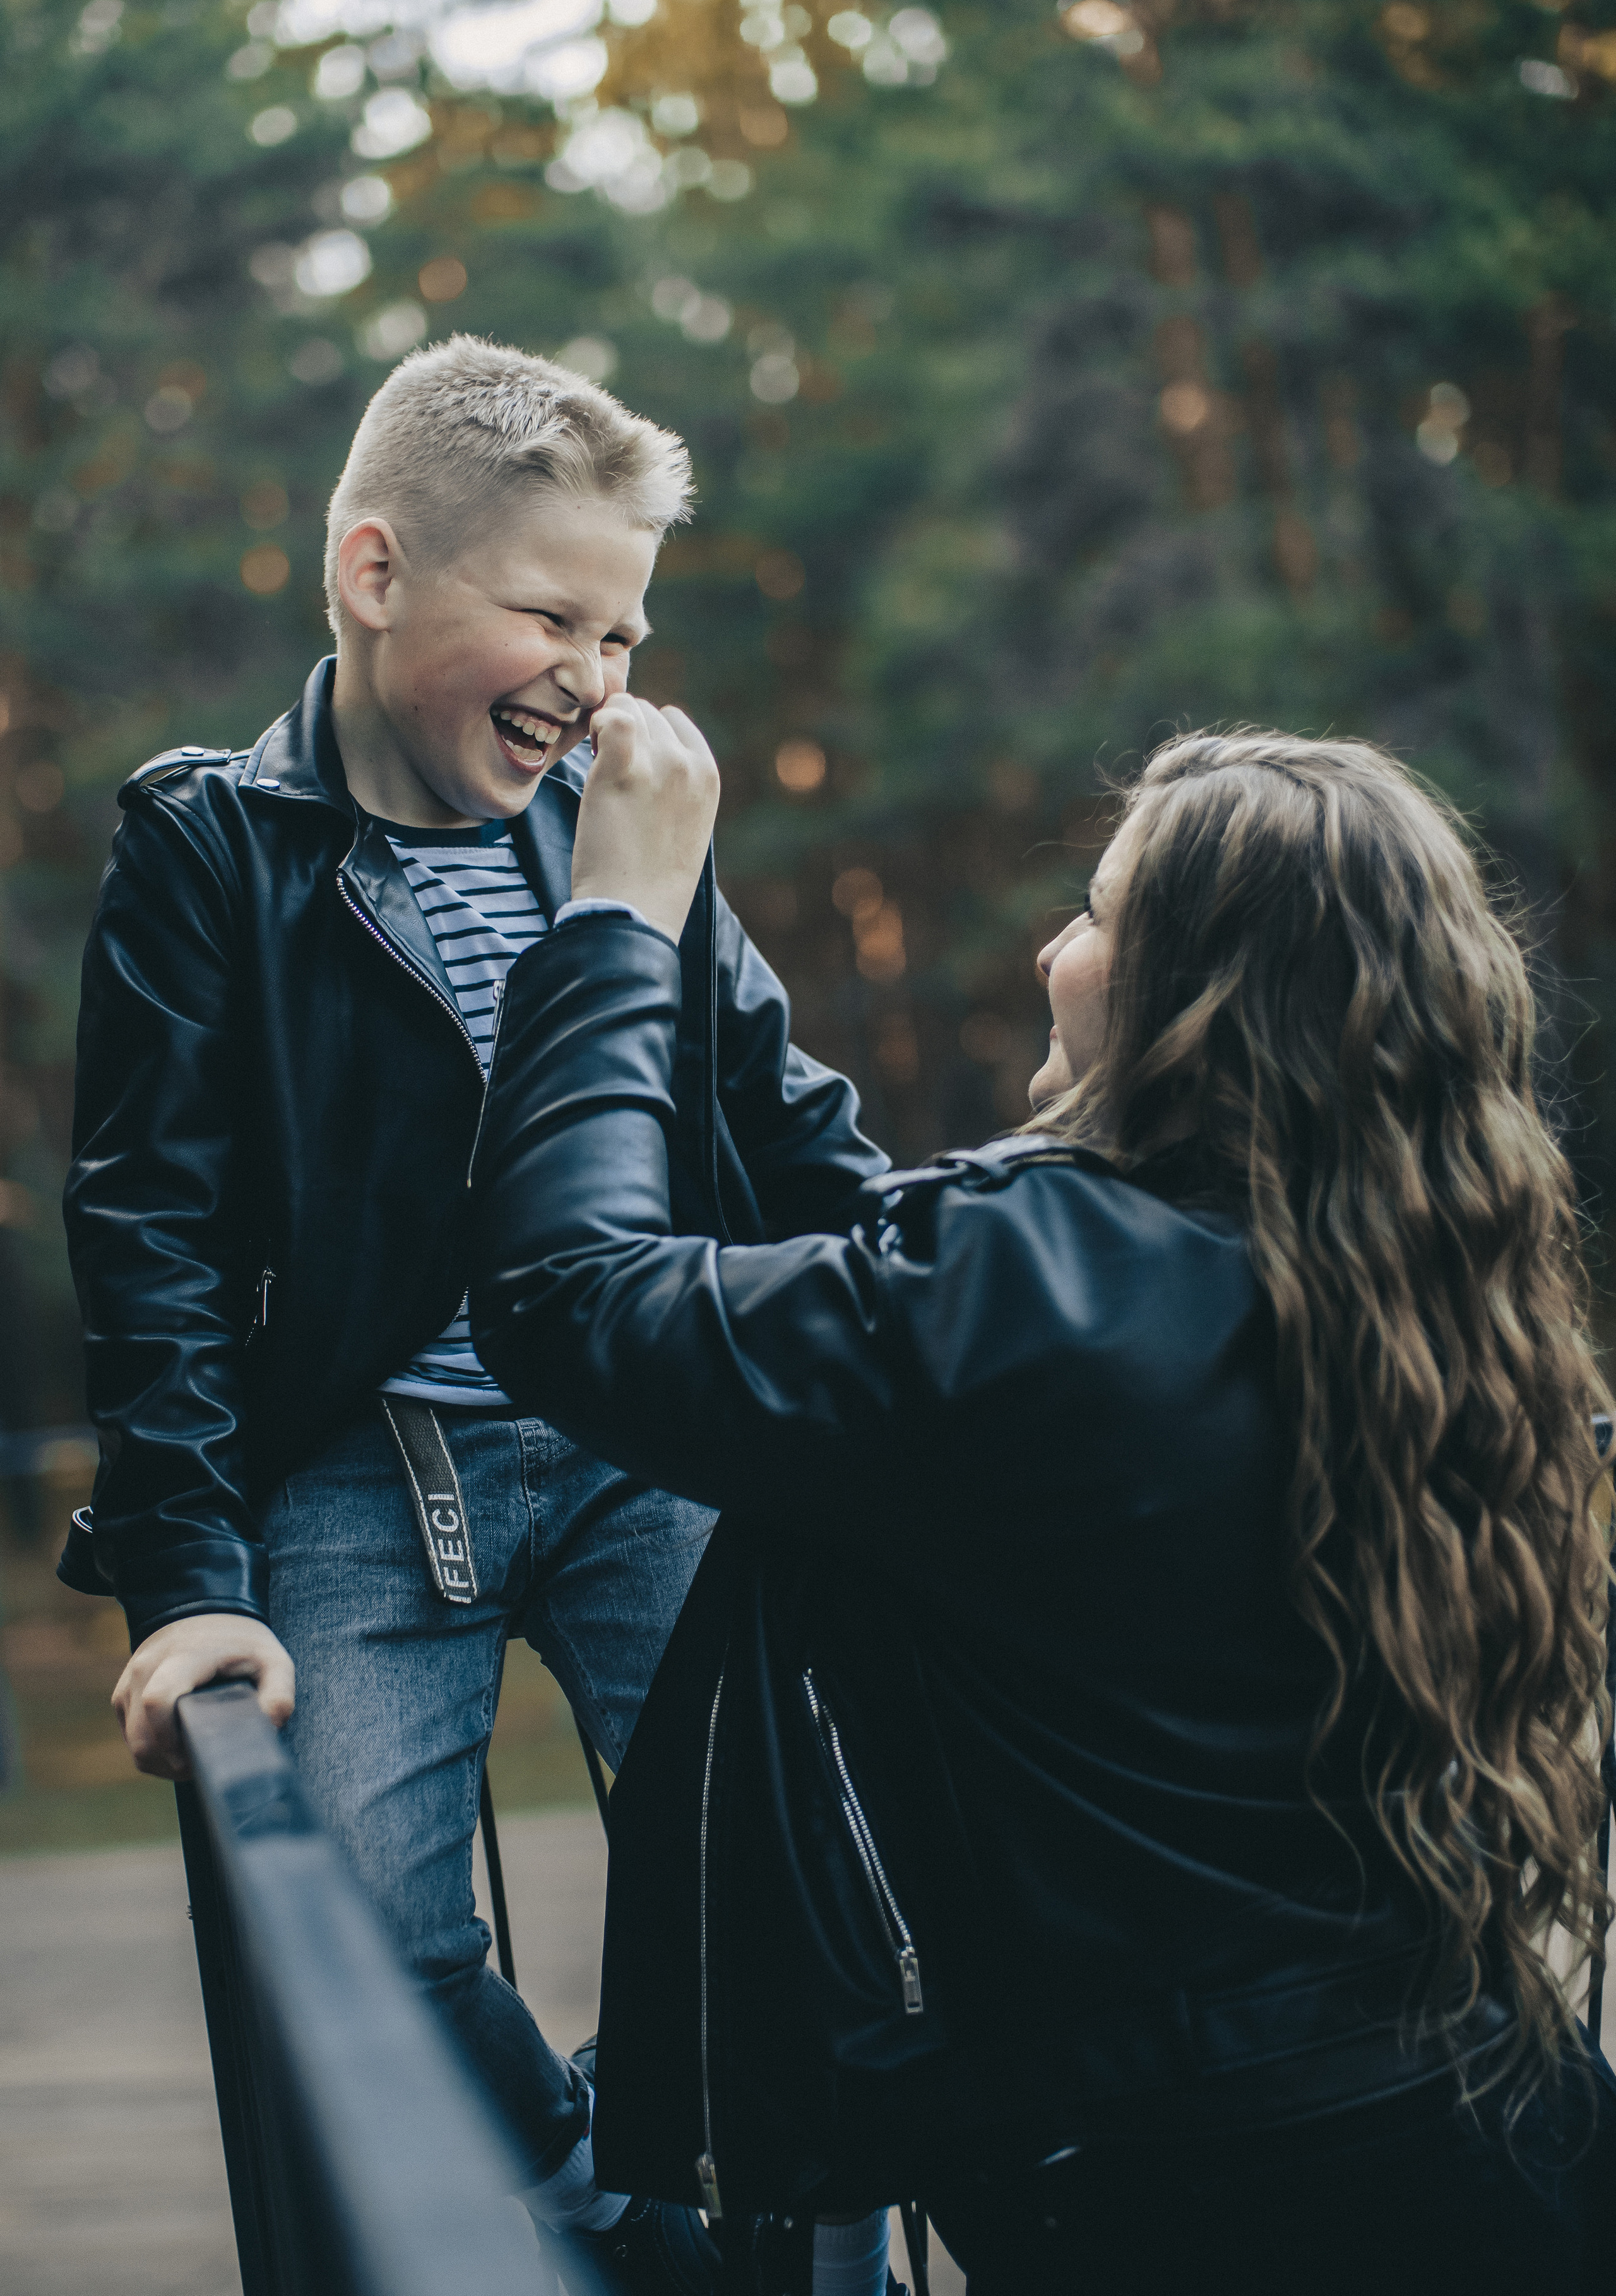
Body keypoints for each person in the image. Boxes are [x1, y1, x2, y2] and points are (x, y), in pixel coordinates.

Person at [468, 711, 1616, 2295]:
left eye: (1095, 913)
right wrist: (693, 919)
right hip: (1492, 2121)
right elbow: (882, 1259)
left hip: (1183, 2206)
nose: (1048, 949)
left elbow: (567, 1297)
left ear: (1195, 1001)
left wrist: (609, 927)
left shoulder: (1028, 1293)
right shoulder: (1420, 1290)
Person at [59, 338, 887, 2296]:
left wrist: (980, 1331)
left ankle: (790, 2253)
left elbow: (786, 1125)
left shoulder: (624, 828)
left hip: (638, 1436)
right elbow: (150, 1226)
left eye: (626, 630)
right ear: (372, 576)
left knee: (795, 1875)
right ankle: (625, 2217)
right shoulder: (209, 847)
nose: (597, 677)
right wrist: (188, 1571)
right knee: (346, 1913)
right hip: (365, 1458)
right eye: (551, 615)